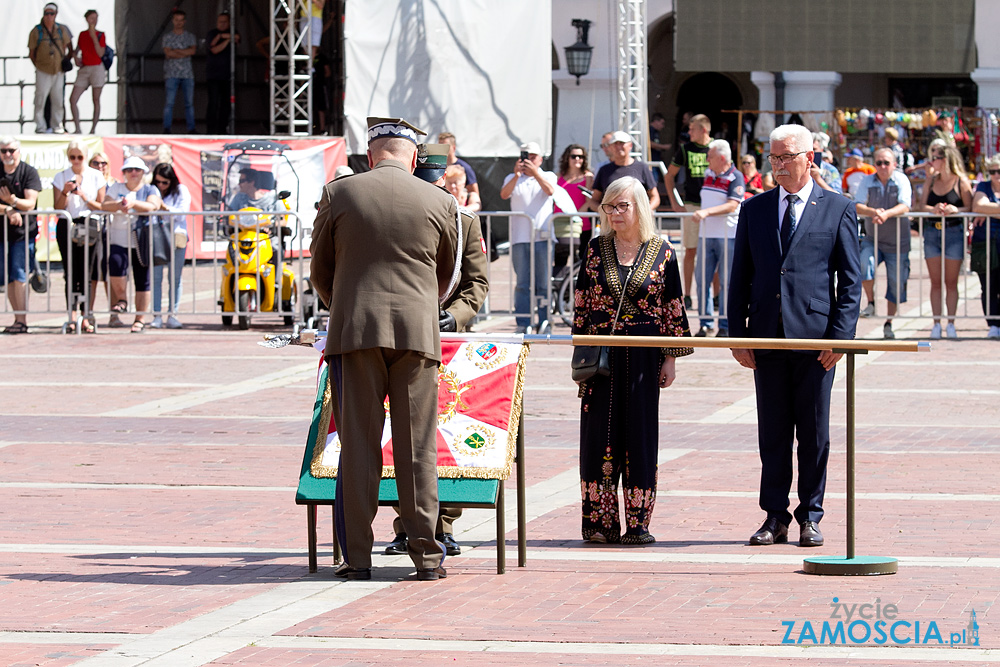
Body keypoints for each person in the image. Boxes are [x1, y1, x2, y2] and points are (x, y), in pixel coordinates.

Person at [309, 117, 458, 581]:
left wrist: (349, 302)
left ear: (370, 157)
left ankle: (357, 557)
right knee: (417, 449)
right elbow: (446, 272)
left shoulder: (340, 193)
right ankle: (428, 557)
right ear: (413, 157)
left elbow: (320, 268)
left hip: (355, 331)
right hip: (417, 334)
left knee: (358, 446)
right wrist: (417, 305)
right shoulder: (439, 199)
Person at [728, 124, 862, 549]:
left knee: (815, 433)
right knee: (772, 432)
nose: (779, 165)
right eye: (773, 158)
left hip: (815, 341)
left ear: (810, 159)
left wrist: (838, 339)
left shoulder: (837, 208)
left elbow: (851, 281)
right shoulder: (755, 209)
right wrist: (739, 335)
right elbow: (739, 278)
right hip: (767, 337)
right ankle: (774, 515)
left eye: (787, 157)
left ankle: (811, 515)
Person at [573, 176, 693, 544]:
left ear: (640, 207)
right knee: (599, 437)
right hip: (603, 358)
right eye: (609, 206)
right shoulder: (595, 249)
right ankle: (599, 523)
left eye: (622, 206)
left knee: (640, 436)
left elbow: (673, 305)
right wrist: (582, 352)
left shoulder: (662, 251)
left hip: (643, 357)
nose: (614, 214)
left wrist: (671, 357)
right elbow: (581, 302)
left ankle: (638, 524)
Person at [384, 142, 489, 559]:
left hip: (447, 339)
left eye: (433, 181)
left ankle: (443, 523)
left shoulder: (465, 221)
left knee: (446, 434)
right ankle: (405, 524)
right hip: (404, 335)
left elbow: (476, 281)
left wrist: (457, 315)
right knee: (398, 436)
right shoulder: (400, 210)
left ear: (444, 179)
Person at [853, 147, 912, 339]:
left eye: (886, 162)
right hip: (873, 238)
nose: (883, 166)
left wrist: (886, 214)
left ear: (894, 164)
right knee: (864, 263)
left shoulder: (901, 179)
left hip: (898, 242)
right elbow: (857, 204)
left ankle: (889, 322)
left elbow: (905, 204)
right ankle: (870, 302)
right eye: (878, 162)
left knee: (896, 283)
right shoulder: (867, 180)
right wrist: (874, 212)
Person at [915, 145, 972, 339]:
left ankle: (951, 323)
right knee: (935, 282)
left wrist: (956, 210)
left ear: (946, 159)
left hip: (954, 232)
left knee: (951, 282)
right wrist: (933, 208)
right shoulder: (931, 180)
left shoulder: (960, 181)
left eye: (936, 158)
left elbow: (969, 206)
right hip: (932, 232)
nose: (932, 162)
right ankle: (937, 323)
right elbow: (921, 205)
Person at [500, 141, 557, 333]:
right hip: (519, 238)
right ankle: (523, 322)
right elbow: (504, 194)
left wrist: (535, 173)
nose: (529, 161)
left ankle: (545, 320)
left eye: (533, 157)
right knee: (522, 283)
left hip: (543, 236)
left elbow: (550, 191)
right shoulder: (511, 177)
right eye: (526, 156)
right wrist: (517, 174)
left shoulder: (547, 175)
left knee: (543, 282)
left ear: (540, 159)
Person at [101, 156, 162, 333]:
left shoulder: (150, 189)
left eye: (137, 169)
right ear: (124, 173)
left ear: (143, 172)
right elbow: (105, 204)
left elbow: (153, 205)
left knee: (143, 279)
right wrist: (119, 205)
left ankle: (140, 318)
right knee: (115, 268)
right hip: (118, 238)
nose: (133, 173)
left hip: (142, 240)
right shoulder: (117, 187)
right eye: (129, 170)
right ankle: (121, 299)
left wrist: (135, 203)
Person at [691, 140, 745, 337]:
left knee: (726, 281)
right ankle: (705, 323)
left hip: (727, 236)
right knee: (702, 279)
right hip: (706, 235)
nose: (707, 160)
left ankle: (725, 323)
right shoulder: (708, 174)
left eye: (710, 156)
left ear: (722, 158)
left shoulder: (735, 176)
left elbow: (732, 204)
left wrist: (706, 212)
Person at [52, 141, 106, 333]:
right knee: (70, 271)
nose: (76, 161)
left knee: (88, 271)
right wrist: (66, 191)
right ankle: (72, 314)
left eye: (80, 157)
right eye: (72, 157)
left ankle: (86, 314)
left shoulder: (96, 176)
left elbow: (102, 205)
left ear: (85, 157)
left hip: (89, 223)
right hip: (67, 223)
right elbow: (57, 207)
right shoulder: (61, 177)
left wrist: (84, 197)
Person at [665, 114, 713, 309]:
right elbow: (669, 176)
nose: (688, 132)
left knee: (713, 250)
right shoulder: (685, 149)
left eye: (692, 129)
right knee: (690, 250)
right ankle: (687, 293)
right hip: (692, 204)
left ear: (703, 129)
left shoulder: (717, 147)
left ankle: (715, 294)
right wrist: (675, 202)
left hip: (713, 206)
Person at [0, 137, 42, 334]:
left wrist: (13, 201)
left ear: (18, 151)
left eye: (11, 150)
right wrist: (8, 210)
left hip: (23, 235)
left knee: (19, 275)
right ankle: (17, 318)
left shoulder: (28, 172)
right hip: (1, 234)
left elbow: (30, 204)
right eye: (3, 151)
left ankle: (22, 320)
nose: (7, 154)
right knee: (8, 277)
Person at [150, 163, 191, 329]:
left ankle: (172, 314)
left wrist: (164, 208)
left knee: (175, 278)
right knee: (156, 277)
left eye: (165, 182)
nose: (161, 186)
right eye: (158, 182)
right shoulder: (151, 190)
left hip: (176, 236)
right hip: (157, 236)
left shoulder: (181, 190)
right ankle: (157, 315)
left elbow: (182, 214)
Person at [28, 3, 73, 134]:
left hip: (58, 70)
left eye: (51, 14)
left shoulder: (61, 30)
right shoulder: (36, 31)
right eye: (46, 13)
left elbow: (69, 46)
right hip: (43, 69)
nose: (49, 16)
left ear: (56, 15)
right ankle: (40, 126)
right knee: (40, 99)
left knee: (58, 99)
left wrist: (65, 61)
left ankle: (57, 125)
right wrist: (39, 65)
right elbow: (31, 53)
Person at [590, 131, 660, 212]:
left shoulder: (642, 168)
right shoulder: (604, 170)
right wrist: (605, 212)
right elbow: (594, 200)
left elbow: (655, 197)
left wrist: (644, 212)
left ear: (630, 145)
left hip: (636, 222)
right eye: (615, 144)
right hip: (612, 221)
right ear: (610, 147)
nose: (618, 147)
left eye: (621, 143)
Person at [971, 155, 1000, 340]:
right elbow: (978, 205)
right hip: (986, 243)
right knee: (988, 284)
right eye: (993, 172)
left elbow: (983, 208)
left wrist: (991, 211)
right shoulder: (983, 186)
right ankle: (993, 324)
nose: (997, 175)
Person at [553, 144, 594, 269]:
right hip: (561, 223)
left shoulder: (588, 176)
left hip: (582, 224)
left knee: (581, 260)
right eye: (574, 156)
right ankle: (559, 287)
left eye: (581, 156)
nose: (577, 159)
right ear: (567, 158)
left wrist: (574, 214)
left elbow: (589, 200)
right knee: (560, 260)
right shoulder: (558, 176)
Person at [69, 9, 107, 135]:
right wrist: (75, 58)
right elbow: (77, 50)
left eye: (96, 18)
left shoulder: (101, 34)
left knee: (96, 99)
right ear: (86, 19)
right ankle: (78, 128)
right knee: (73, 98)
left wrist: (94, 37)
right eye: (91, 18)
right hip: (85, 68)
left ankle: (93, 129)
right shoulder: (82, 35)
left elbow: (100, 53)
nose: (94, 21)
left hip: (97, 67)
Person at [162, 9, 197, 134]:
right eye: (176, 20)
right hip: (171, 74)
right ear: (173, 21)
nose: (179, 23)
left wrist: (175, 51)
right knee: (169, 102)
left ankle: (191, 129)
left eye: (181, 20)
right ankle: (167, 128)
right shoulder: (167, 37)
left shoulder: (190, 36)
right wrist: (184, 52)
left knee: (189, 103)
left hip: (187, 74)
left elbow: (192, 51)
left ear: (184, 21)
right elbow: (167, 52)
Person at [206, 12, 240, 135]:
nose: (222, 24)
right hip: (213, 75)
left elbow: (237, 38)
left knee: (226, 104)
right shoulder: (212, 33)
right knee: (213, 103)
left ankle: (222, 130)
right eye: (220, 22)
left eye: (224, 22)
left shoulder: (233, 31)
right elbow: (214, 49)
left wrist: (224, 37)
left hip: (228, 75)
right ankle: (210, 131)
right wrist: (226, 40)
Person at [438, 132, 481, 212]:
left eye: (446, 146)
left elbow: (474, 193)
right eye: (440, 146)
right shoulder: (437, 167)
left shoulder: (465, 168)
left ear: (453, 148)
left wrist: (462, 209)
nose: (442, 149)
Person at [648, 112, 671, 178]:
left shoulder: (656, 132)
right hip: (651, 161)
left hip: (656, 160)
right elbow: (649, 143)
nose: (663, 126)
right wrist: (664, 147)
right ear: (656, 121)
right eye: (662, 123)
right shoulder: (650, 130)